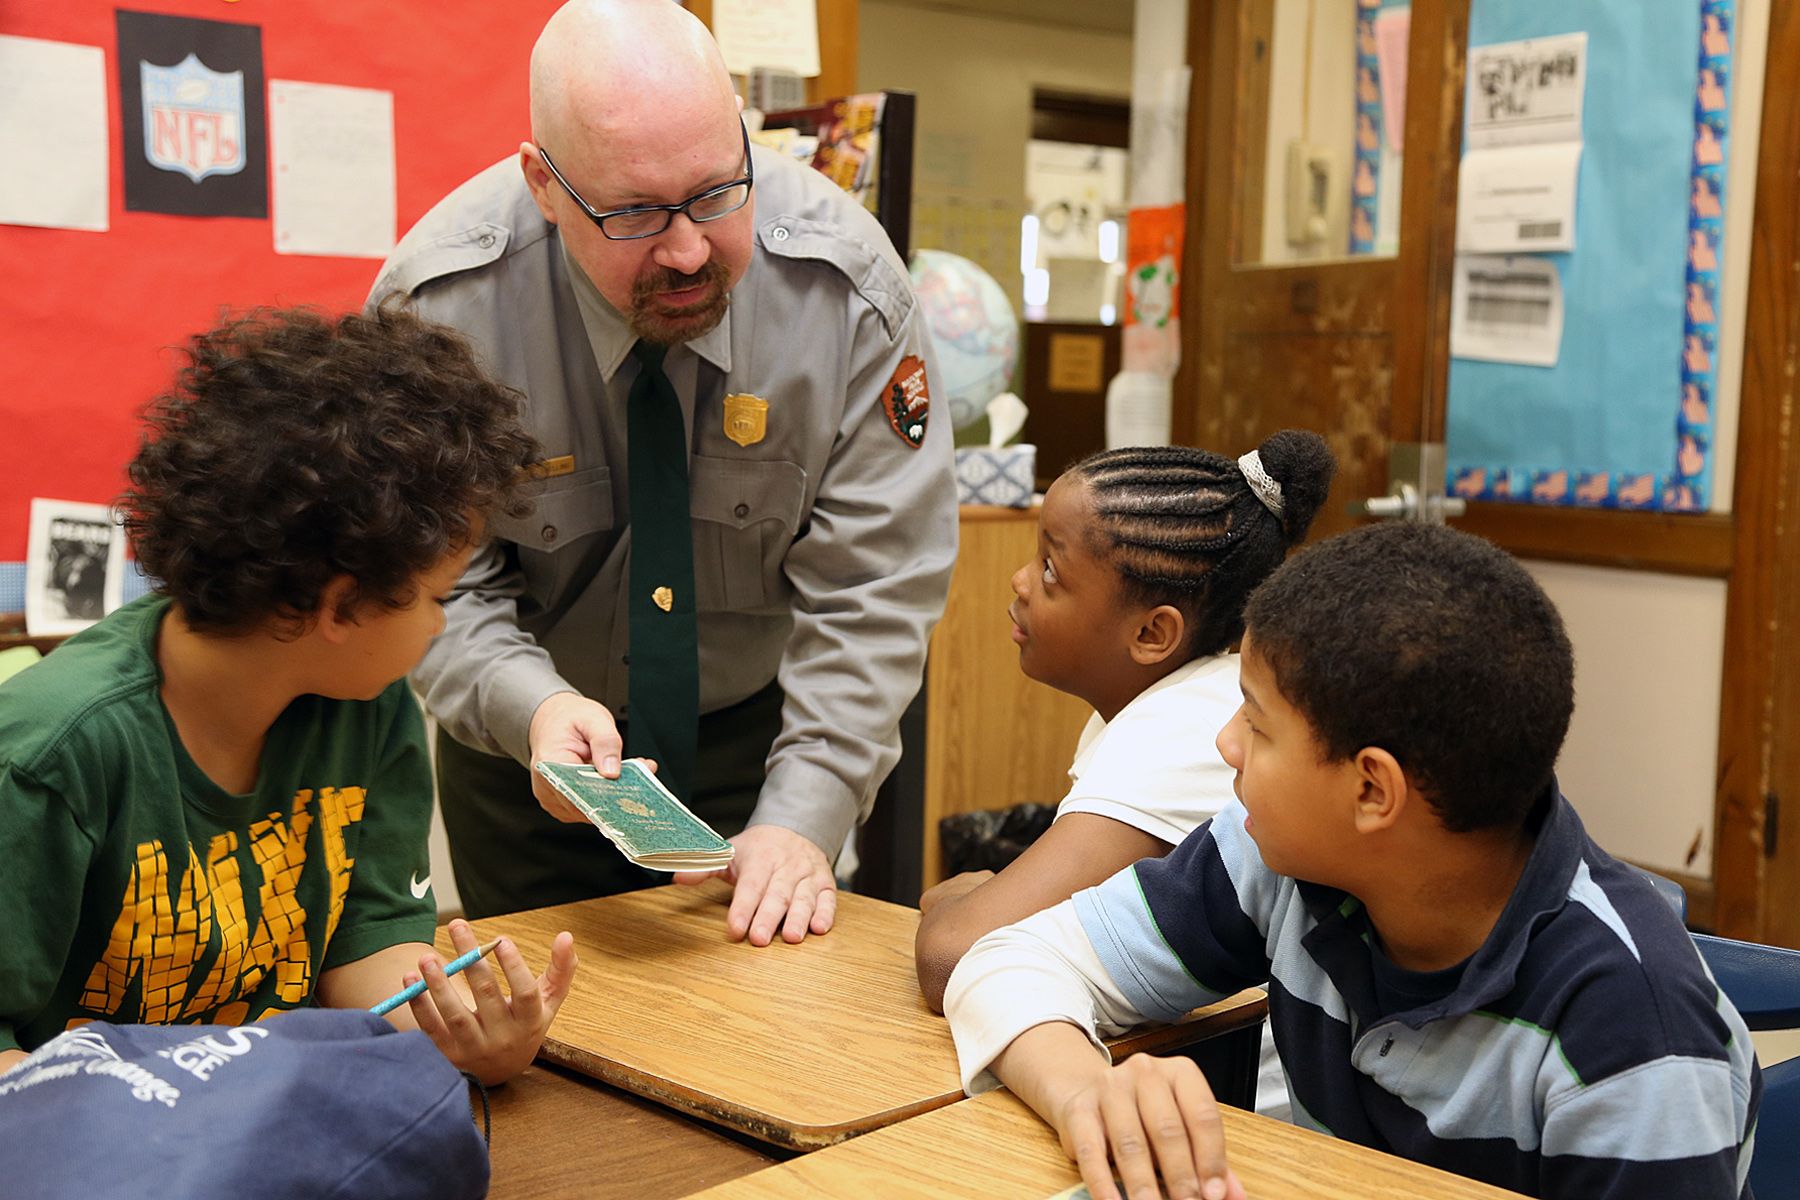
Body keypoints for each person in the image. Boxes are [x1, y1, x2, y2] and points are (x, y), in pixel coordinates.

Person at [368, 0, 957, 946]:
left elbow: (875, 590)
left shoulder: (847, 297)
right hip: (532, 765)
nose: (687, 249)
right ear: (544, 184)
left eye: (719, 191)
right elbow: (433, 591)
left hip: (764, 749)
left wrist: (803, 817)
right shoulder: (441, 311)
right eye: (634, 211)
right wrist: (535, 710)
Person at [944, 523, 1760, 1200]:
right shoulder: (1281, 860)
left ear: (1373, 790)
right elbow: (1008, 960)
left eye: (1257, 728)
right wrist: (1091, 1096)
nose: (1225, 745)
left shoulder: (1634, 1037)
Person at [0, 307, 578, 1086]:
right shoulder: (50, 757)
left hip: (269, 1118)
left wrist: (453, 1030)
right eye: (437, 597)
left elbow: (367, 950)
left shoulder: (366, 705)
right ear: (339, 607)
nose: (443, 624)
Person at [914, 433, 1335, 1115]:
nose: (1022, 582)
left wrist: (975, 888)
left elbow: (955, 953)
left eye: (1051, 570)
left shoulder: (1184, 728)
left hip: (1231, 1113)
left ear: (1152, 634)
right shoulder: (1167, 705)